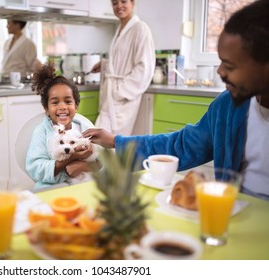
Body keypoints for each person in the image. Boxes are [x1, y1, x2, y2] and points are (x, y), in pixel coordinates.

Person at [83, 0, 269, 200]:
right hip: (235, 211)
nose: (220, 71)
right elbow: (179, 145)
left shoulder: (140, 29)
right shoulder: (227, 107)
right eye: (220, 61)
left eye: (229, 66)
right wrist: (115, 141)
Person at [26, 63, 97, 189]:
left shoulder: (85, 128)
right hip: (50, 188)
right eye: (55, 102)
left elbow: (102, 162)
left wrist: (85, 166)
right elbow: (35, 168)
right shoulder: (41, 131)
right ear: (46, 108)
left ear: (76, 106)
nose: (62, 107)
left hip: (81, 186)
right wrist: (70, 159)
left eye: (68, 101)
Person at [90, 0, 155, 135]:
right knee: (102, 141)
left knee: (111, 142)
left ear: (133, 3)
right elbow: (122, 61)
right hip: (113, 96)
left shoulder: (141, 29)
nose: (119, 6)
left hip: (124, 97)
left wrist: (119, 92)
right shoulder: (120, 29)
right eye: (115, 3)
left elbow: (145, 68)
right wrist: (105, 64)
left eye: (123, 1)